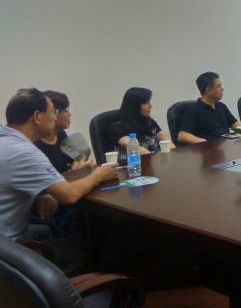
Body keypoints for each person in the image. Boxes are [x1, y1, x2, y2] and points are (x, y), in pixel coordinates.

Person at [0, 89, 119, 275]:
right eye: (53, 112)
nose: (55, 117)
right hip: (7, 250)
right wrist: (99, 175)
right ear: (37, 116)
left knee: (45, 232)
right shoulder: (24, 153)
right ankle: (52, 291)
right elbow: (69, 195)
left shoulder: (5, 138)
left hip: (10, 232)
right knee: (80, 250)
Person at [30, 90, 94, 238]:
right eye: (65, 111)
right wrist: (75, 173)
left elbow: (79, 159)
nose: (69, 114)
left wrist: (77, 168)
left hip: (64, 193)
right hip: (48, 205)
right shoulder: (34, 146)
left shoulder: (60, 135)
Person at [178, 72, 241, 144]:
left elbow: (237, 125)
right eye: (219, 86)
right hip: (208, 149)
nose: (222, 89)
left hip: (225, 146)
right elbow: (182, 136)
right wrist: (204, 142)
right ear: (208, 91)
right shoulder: (194, 110)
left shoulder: (221, 106)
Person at [109, 87, 174, 159]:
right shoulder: (118, 127)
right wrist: (155, 160)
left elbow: (165, 140)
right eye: (147, 103)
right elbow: (133, 147)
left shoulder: (149, 122)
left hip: (153, 162)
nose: (151, 106)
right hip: (133, 164)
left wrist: (174, 154)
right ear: (135, 106)